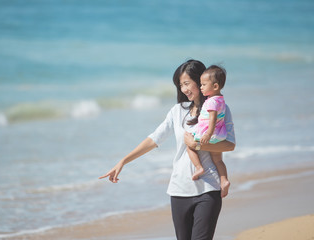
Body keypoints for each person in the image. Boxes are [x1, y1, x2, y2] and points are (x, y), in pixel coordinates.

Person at [99, 59, 235, 240]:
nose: (184, 89)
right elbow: (154, 139)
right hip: (179, 190)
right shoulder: (177, 111)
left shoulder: (220, 109)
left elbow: (229, 145)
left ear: (200, 80)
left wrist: (198, 145)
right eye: (181, 85)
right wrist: (123, 161)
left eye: (187, 83)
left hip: (208, 188)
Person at [187, 65, 230, 198]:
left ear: (215, 86)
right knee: (218, 160)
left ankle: (199, 167)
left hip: (209, 132)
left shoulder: (211, 101)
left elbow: (212, 118)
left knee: (189, 144)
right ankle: (224, 180)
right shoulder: (221, 100)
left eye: (204, 85)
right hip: (220, 134)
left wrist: (208, 134)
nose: (201, 87)